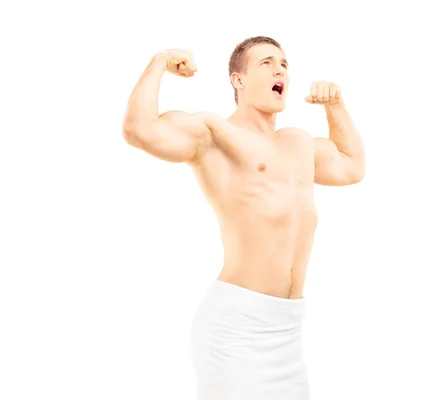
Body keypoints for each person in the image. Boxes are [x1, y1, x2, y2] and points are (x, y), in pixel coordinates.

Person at [122, 36, 365, 399]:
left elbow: (351, 166)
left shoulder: (298, 142)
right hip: (236, 328)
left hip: (287, 331)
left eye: (283, 63)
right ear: (238, 80)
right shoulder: (214, 133)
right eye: (266, 63)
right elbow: (139, 130)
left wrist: (336, 106)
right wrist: (158, 62)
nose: (279, 69)